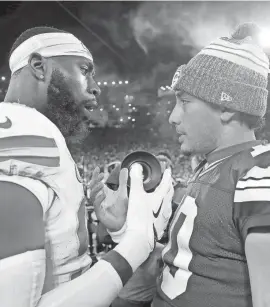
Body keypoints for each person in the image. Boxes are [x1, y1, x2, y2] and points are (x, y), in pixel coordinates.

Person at [91, 22, 270, 307]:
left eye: (184, 102)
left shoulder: (259, 173)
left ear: (227, 106)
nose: (174, 117)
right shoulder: (213, 165)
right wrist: (125, 231)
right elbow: (190, 264)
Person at [0, 26, 174, 307]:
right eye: (85, 69)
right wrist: (135, 242)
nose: (95, 86)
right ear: (38, 66)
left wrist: (117, 232)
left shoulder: (39, 133)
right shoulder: (22, 133)